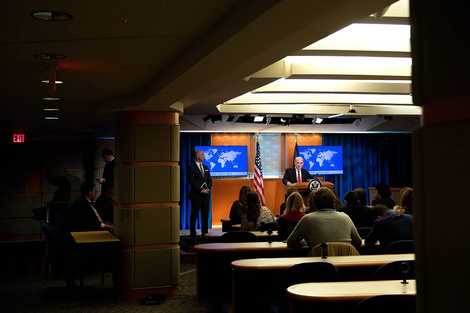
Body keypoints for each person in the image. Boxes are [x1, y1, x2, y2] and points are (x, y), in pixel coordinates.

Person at [287, 187, 362, 248]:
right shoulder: (345, 217)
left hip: (318, 264)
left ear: (315, 202)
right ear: (333, 201)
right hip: (345, 264)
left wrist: (305, 242)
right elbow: (358, 242)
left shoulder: (308, 219)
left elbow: (290, 242)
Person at [187, 149, 212, 241]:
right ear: (197, 156)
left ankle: (204, 234)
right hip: (196, 196)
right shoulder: (191, 167)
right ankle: (192, 234)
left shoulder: (206, 167)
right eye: (202, 154)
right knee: (194, 215)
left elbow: (209, 180)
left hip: (206, 196)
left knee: (205, 215)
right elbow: (191, 181)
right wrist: (201, 190)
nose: (203, 156)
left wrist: (207, 189)